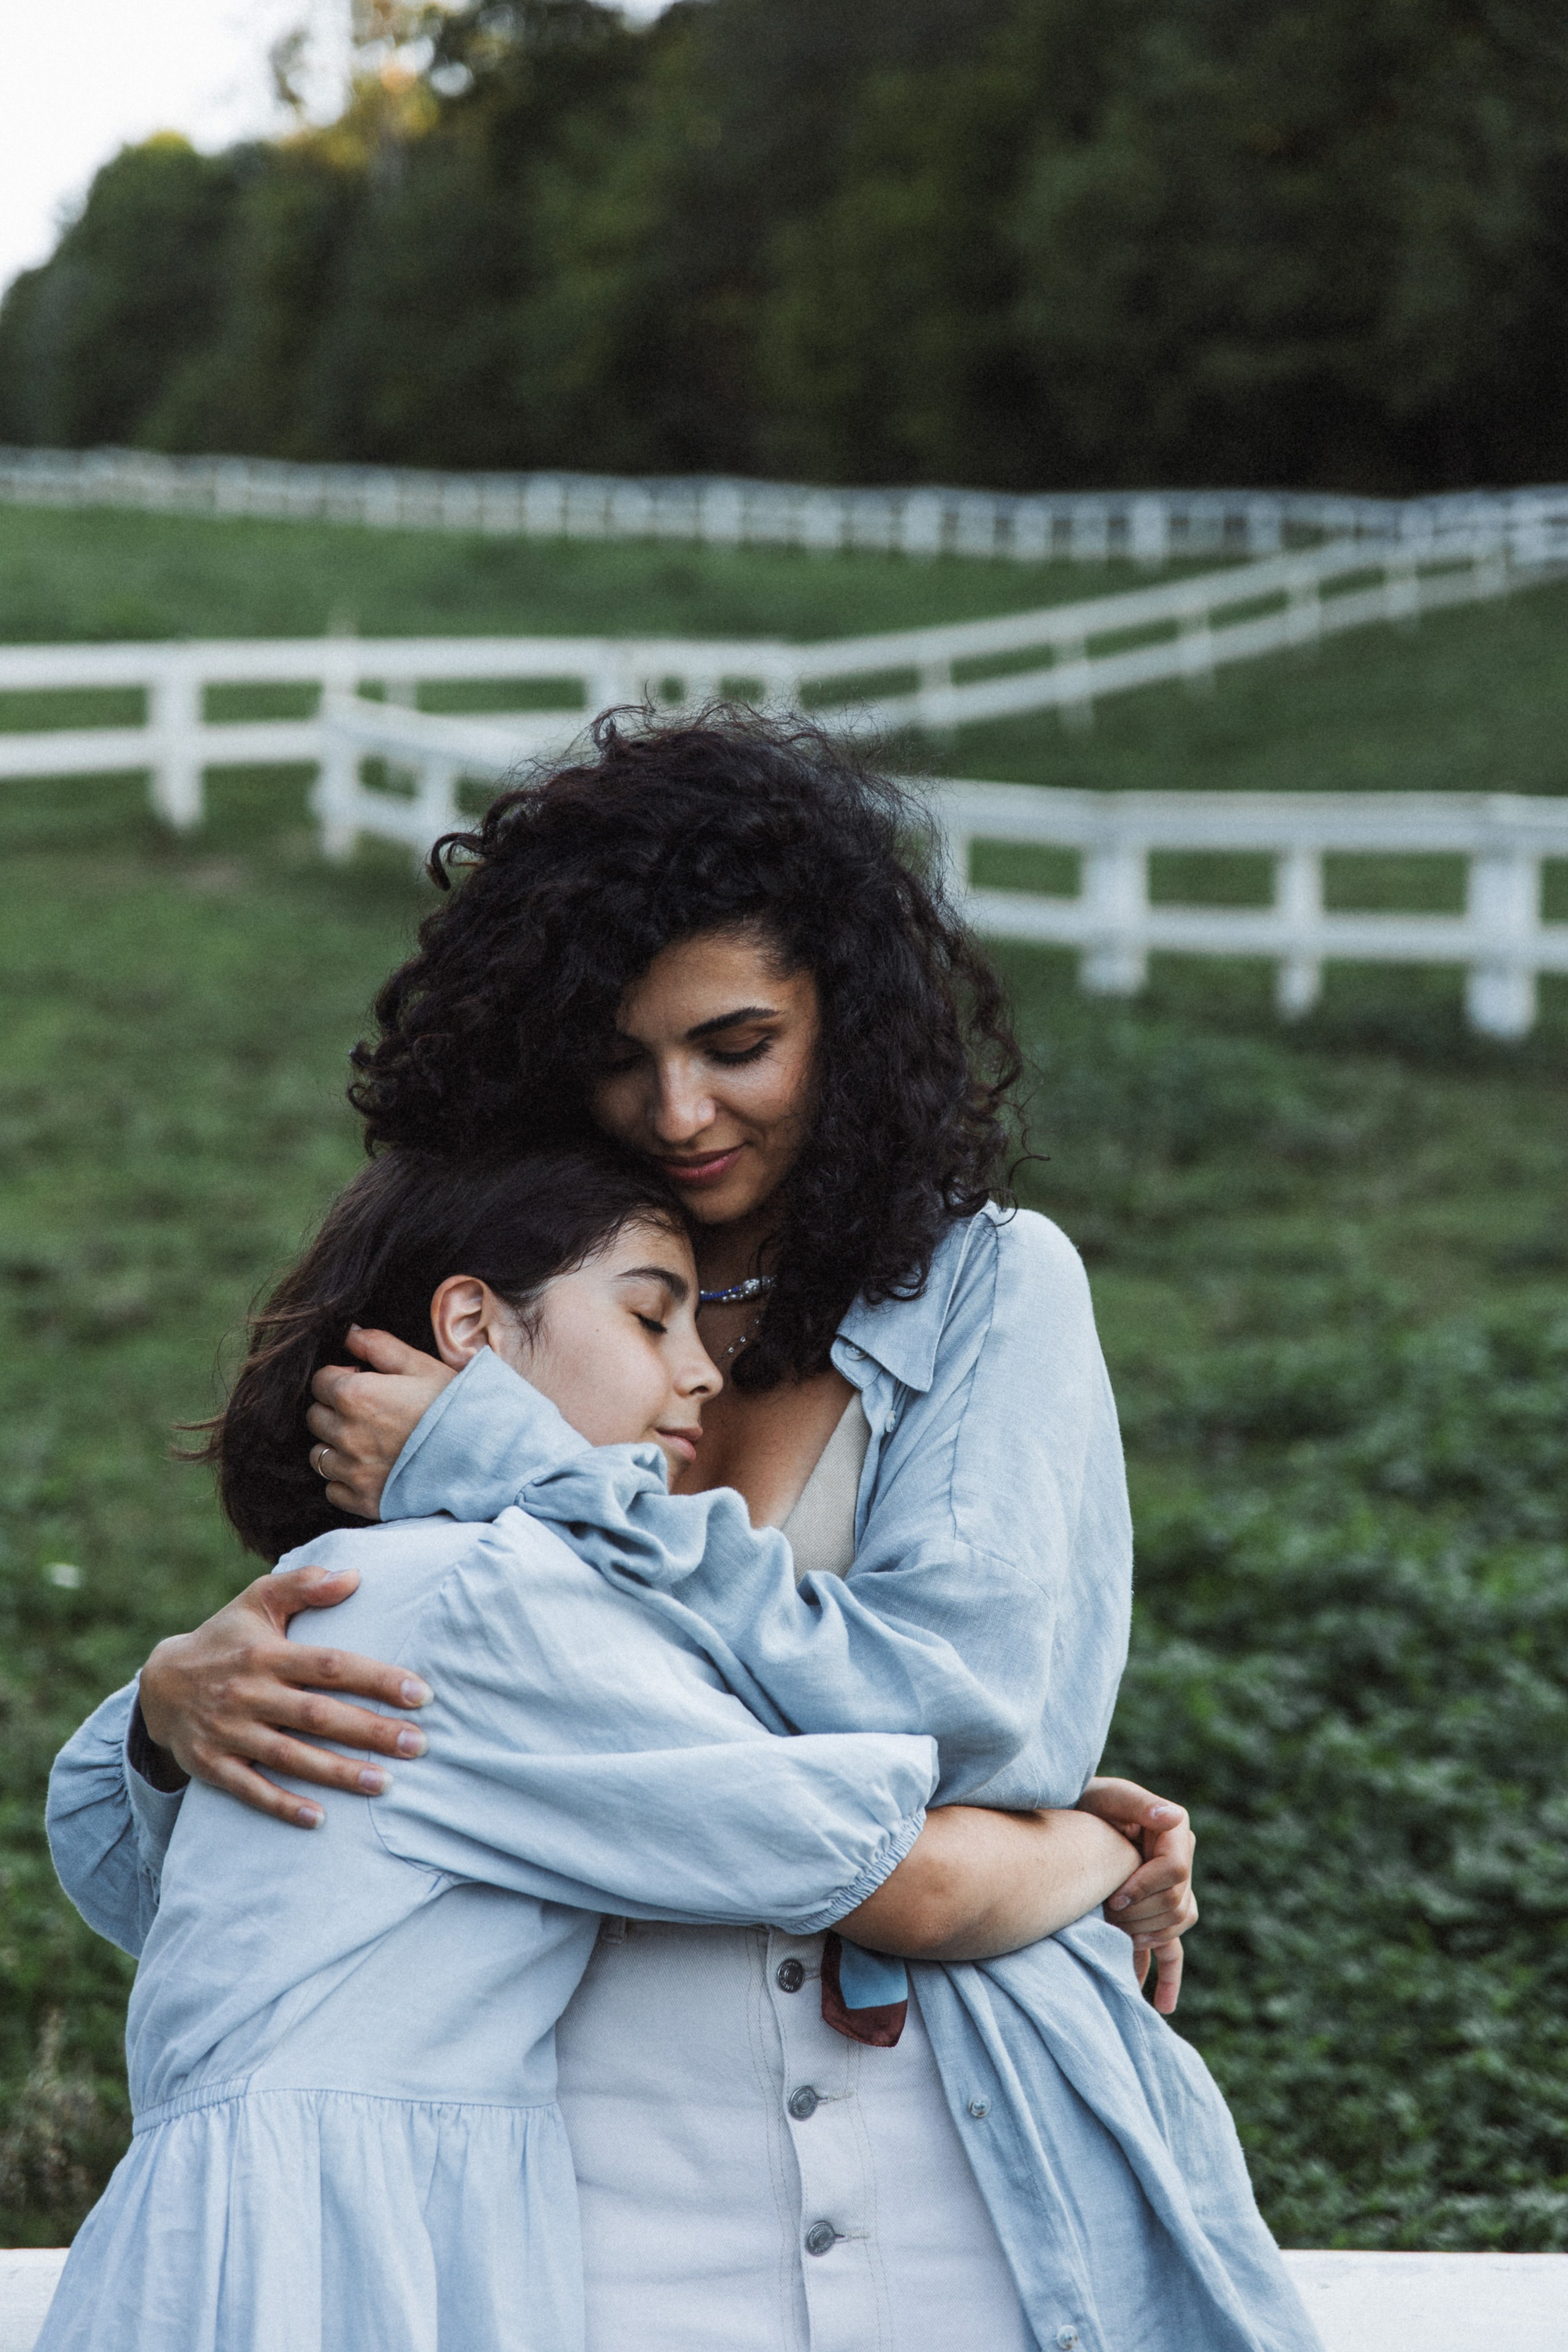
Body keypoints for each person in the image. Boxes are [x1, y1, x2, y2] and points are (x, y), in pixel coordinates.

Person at [52, 714, 1321, 2351]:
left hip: (952, 2154)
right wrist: (167, 1716)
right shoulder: (526, 1291)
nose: (676, 1109)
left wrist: (527, 1473)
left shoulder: (992, 1289)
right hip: (578, 2195)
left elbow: (971, 1721)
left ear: (845, 1023)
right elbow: (389, 1750)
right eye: (618, 1055)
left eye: (737, 1044)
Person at [45, 1142, 1143, 2352]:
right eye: (650, 1318)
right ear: (472, 1325)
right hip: (343, 2234)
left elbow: (108, 1857)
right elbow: (895, 1879)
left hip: (253, 2218)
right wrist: (1102, 1843)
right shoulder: (497, 1600)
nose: (702, 1371)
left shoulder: (346, 1581)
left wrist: (157, 1709)